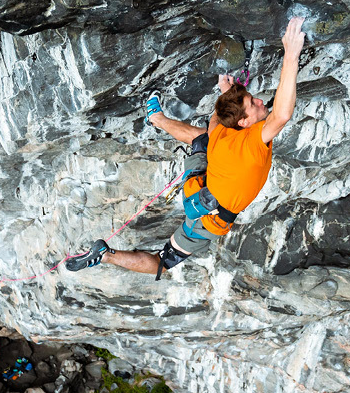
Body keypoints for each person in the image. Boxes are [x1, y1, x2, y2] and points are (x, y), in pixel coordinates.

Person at [66, 17, 307, 277]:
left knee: (204, 139)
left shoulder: (222, 133)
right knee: (165, 261)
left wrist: (225, 92)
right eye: (254, 103)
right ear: (244, 121)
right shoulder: (251, 142)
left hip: (202, 188)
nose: (262, 102)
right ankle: (106, 256)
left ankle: (156, 118)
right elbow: (281, 115)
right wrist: (291, 54)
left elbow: (216, 120)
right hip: (206, 213)